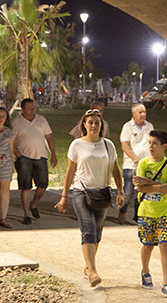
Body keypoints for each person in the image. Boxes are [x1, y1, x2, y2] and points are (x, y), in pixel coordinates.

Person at [55, 109, 124, 287]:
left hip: (102, 193)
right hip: (81, 192)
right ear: (84, 125)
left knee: (97, 233)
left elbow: (116, 170)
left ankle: (88, 266)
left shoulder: (108, 145)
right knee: (88, 229)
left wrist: (121, 192)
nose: (93, 125)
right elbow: (70, 171)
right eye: (90, 122)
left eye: (97, 123)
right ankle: (93, 272)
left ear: (101, 126)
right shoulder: (76, 145)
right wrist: (64, 196)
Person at [133, 129, 167, 298]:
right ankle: (145, 271)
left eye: (155, 143)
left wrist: (148, 182)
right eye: (149, 142)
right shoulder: (143, 164)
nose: (151, 146)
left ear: (164, 146)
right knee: (148, 245)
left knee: (165, 246)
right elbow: (139, 187)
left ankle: (166, 283)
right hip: (146, 211)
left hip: (164, 212)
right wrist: (160, 186)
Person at [12, 98, 57, 225]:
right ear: (22, 109)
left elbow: (49, 137)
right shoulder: (16, 123)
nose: (32, 110)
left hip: (40, 156)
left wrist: (53, 154)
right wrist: (18, 155)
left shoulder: (41, 120)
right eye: (29, 108)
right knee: (26, 186)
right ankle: (26, 214)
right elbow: (11, 141)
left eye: (33, 107)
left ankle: (34, 204)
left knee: (43, 184)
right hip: (24, 157)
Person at [118, 103, 154, 225]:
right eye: (140, 112)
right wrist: (136, 159)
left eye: (144, 112)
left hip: (146, 165)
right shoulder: (127, 127)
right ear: (133, 114)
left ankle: (138, 216)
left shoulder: (149, 126)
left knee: (143, 192)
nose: (143, 115)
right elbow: (124, 145)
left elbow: (153, 143)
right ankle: (122, 212)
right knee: (128, 192)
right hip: (131, 166)